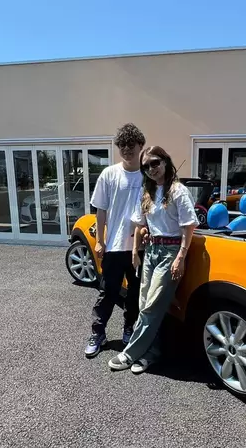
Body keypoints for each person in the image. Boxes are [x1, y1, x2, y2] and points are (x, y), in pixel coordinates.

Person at [108, 145, 199, 374]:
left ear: (165, 161)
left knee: (152, 306)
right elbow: (141, 225)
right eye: (146, 166)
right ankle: (151, 353)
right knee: (145, 305)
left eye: (155, 163)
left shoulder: (178, 191)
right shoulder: (146, 192)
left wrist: (180, 257)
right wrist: (136, 250)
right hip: (151, 251)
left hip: (170, 252)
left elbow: (188, 226)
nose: (151, 169)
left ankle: (130, 353)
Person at [85, 123, 147, 358]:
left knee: (135, 293)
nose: (127, 149)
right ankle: (98, 333)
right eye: (122, 145)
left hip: (140, 248)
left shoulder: (149, 174)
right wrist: (100, 241)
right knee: (108, 292)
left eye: (131, 144)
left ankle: (129, 329)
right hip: (114, 246)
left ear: (141, 145)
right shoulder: (109, 174)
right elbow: (100, 210)